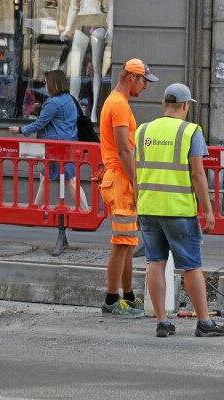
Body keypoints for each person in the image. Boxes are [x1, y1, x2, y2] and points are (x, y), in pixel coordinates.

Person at [134, 83, 224, 338]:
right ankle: (204, 323)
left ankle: (163, 322)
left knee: (155, 262)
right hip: (178, 209)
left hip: (148, 207)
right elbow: (198, 174)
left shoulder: (142, 131)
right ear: (186, 105)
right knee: (191, 266)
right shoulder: (190, 131)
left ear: (163, 104)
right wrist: (208, 210)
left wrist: (137, 204)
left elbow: (137, 172)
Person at [98, 58, 158, 318]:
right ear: (132, 77)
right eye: (144, 81)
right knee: (121, 243)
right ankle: (112, 300)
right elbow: (124, 149)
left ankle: (128, 295)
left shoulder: (113, 101)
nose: (146, 87)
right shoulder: (120, 106)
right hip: (122, 179)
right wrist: (137, 181)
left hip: (117, 178)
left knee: (127, 242)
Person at [8, 69, 89, 212]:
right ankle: (35, 210)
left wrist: (20, 130)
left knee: (70, 180)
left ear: (53, 83)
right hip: (67, 144)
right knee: (46, 178)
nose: (45, 85)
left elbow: (40, 123)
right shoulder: (70, 99)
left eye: (46, 82)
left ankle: (85, 212)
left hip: (57, 147)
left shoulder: (54, 103)